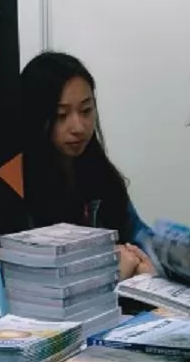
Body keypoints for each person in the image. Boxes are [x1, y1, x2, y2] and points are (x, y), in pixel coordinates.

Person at [20, 51, 155, 281]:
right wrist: (109, 274)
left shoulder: (102, 176)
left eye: (86, 111)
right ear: (36, 118)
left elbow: (142, 239)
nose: (79, 127)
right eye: (61, 115)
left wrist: (147, 267)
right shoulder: (18, 190)